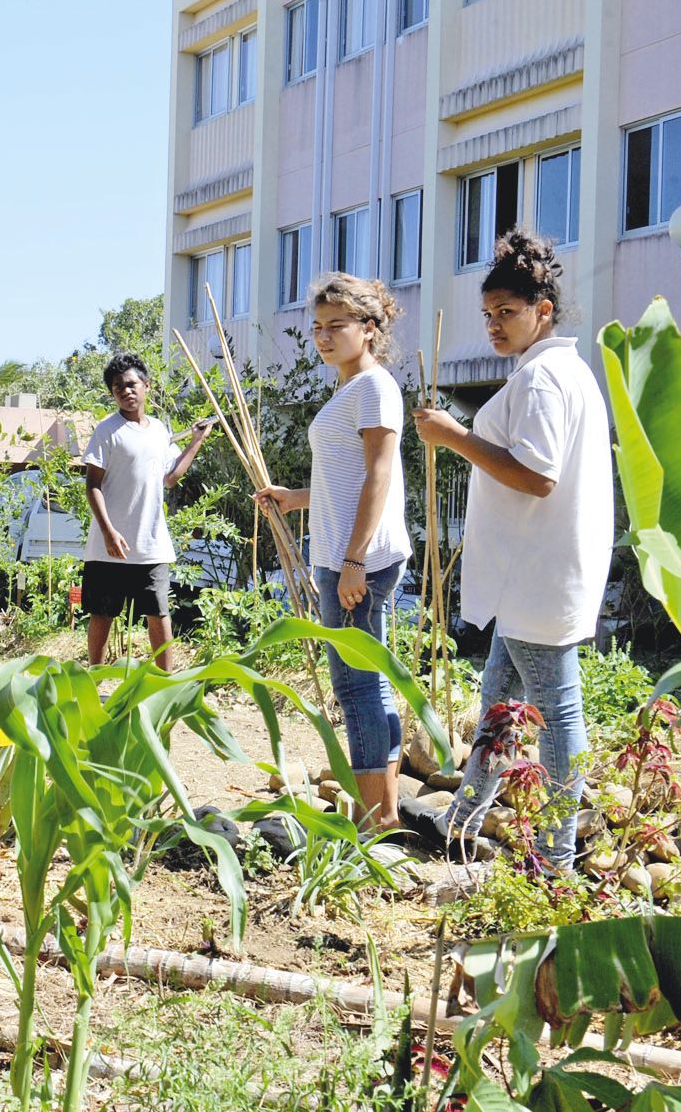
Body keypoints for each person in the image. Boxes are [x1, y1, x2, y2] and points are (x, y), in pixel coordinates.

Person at [411, 231, 613, 871]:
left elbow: (538, 474)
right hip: (535, 576)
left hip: (538, 576)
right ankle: (463, 821)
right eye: (488, 315)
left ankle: (555, 858)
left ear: (542, 311)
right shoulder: (557, 370)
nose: (495, 325)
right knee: (499, 695)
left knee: (556, 710)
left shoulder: (544, 380)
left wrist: (455, 436)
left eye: (508, 313)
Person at [255, 273, 412, 831]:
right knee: (370, 678)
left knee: (357, 682)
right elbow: (341, 478)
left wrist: (353, 560)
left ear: (368, 330)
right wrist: (295, 499)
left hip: (357, 559)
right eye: (317, 327)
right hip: (344, 553)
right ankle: (384, 808)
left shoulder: (372, 388)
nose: (323, 337)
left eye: (336, 326)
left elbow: (379, 476)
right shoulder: (351, 389)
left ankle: (377, 816)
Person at [81, 353, 213, 669]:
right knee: (102, 614)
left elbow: (170, 478)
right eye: (118, 388)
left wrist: (196, 441)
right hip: (108, 547)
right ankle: (94, 678)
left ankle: (163, 684)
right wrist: (109, 532)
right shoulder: (106, 431)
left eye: (131, 385)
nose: (126, 392)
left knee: (159, 612)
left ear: (146, 387)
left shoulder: (159, 431)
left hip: (151, 544)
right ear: (113, 394)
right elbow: (92, 486)